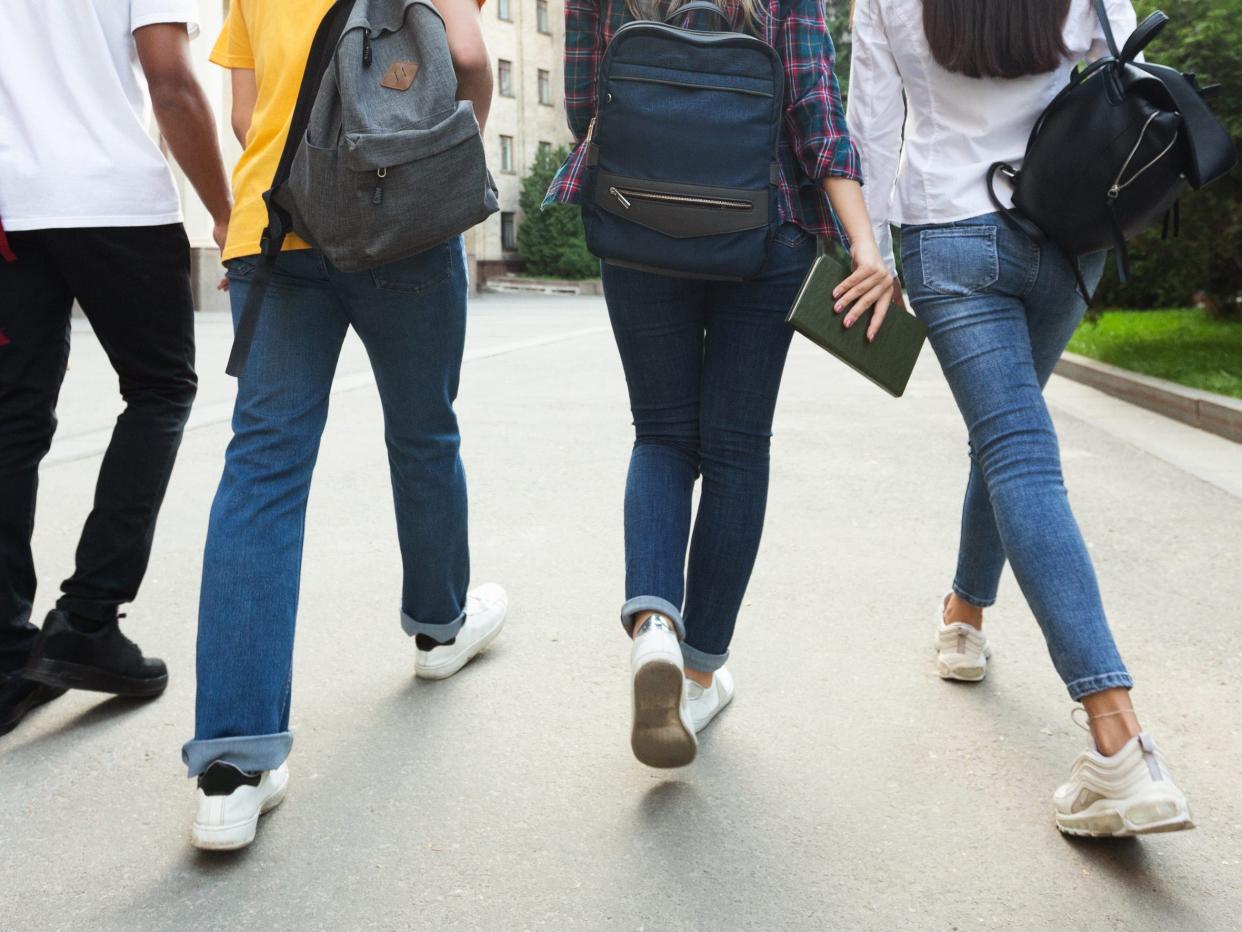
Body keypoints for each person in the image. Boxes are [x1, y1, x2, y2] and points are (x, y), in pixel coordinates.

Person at [849, 0, 1193, 835]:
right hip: (1068, 226)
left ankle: (1118, 742)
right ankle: (964, 615)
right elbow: (1116, 40)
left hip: (949, 237)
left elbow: (871, 121)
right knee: (1011, 442)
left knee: (1015, 452)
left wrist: (878, 250)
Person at [183, 0, 501, 851]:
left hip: (277, 220)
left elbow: (248, 114)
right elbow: (468, 62)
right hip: (401, 220)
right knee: (425, 431)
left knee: (262, 473)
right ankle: (439, 627)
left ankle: (232, 766)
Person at [547, 0, 894, 768]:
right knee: (737, 449)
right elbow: (814, 112)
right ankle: (700, 671)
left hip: (637, 224)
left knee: (662, 434)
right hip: (763, 229)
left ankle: (654, 629)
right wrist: (866, 244)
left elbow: (584, 107)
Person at [0, 1, 232, 737]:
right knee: (161, 390)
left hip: (10, 209)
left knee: (12, 418)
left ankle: (8, 659)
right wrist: (225, 213)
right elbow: (171, 81)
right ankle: (87, 621)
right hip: (113, 202)